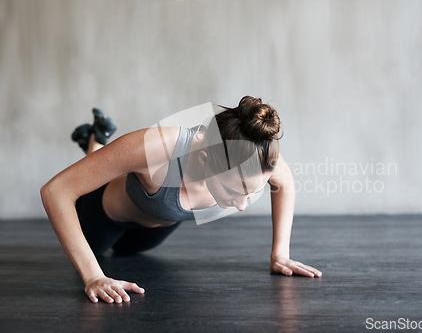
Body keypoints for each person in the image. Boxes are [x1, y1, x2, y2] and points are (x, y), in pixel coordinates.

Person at [40, 96, 322, 304]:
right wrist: (92, 275)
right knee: (100, 251)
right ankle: (95, 140)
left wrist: (280, 254)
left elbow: (284, 184)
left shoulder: (254, 156)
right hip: (105, 215)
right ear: (203, 158)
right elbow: (55, 191)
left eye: (252, 193)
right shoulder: (155, 148)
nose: (241, 206)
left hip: (158, 228)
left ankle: (96, 140)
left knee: (128, 255)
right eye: (235, 192)